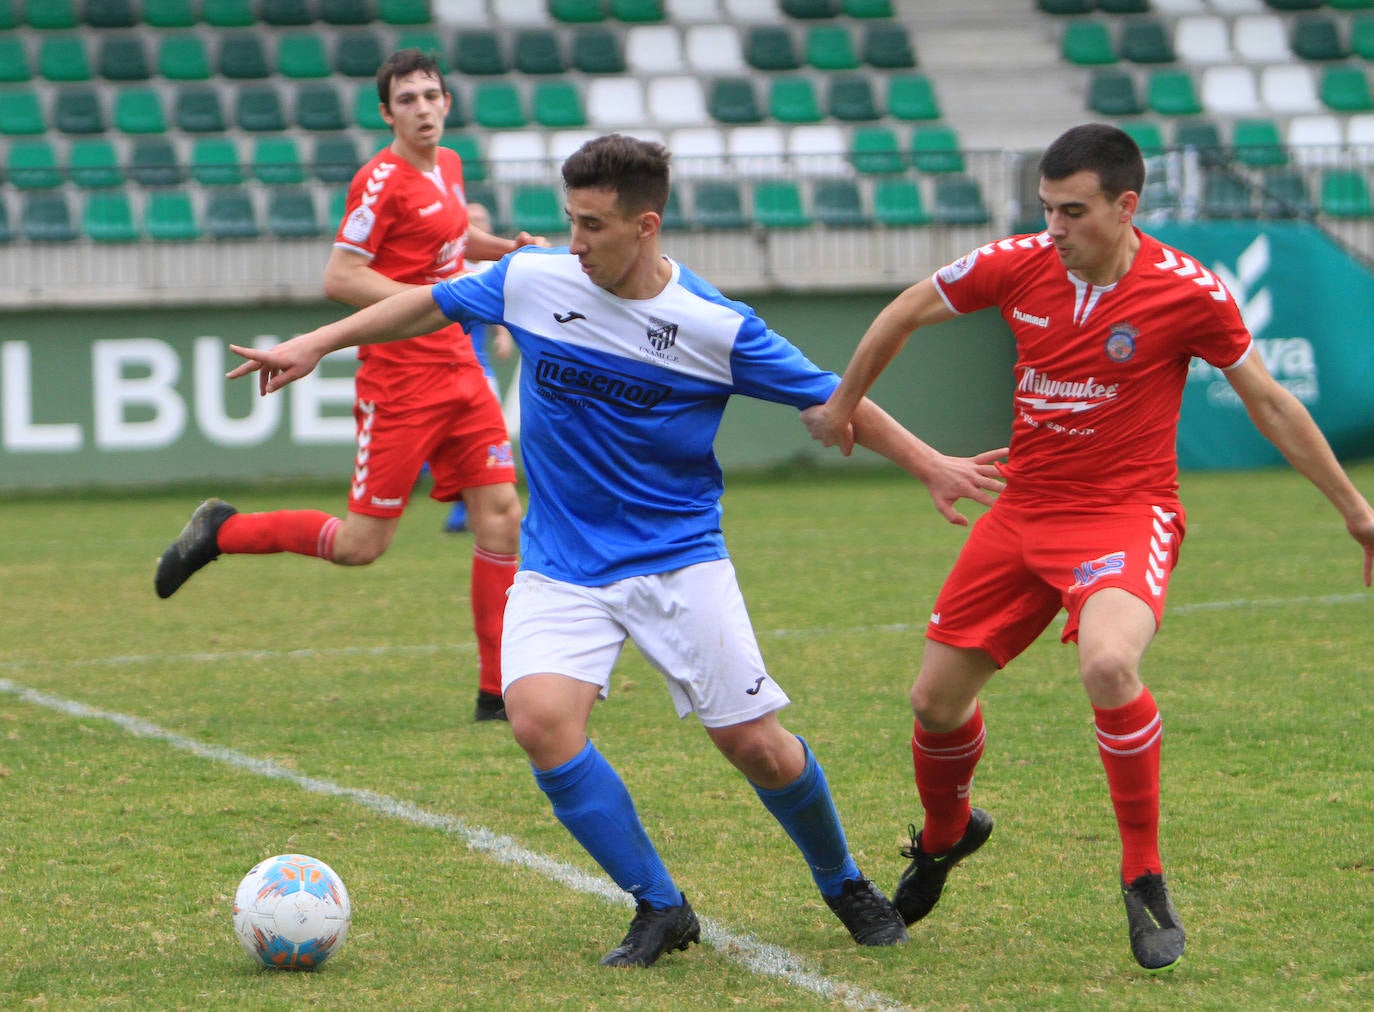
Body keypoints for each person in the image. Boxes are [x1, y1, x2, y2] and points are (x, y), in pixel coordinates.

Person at [223, 134, 1008, 967]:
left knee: (755, 744)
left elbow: (830, 397)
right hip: (562, 561)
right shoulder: (533, 280)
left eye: (593, 226)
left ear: (646, 224)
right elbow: (429, 302)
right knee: (540, 723)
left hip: (679, 558)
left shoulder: (714, 326)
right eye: (570, 221)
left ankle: (842, 879)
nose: (576, 242)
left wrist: (931, 463)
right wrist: (315, 343)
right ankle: (661, 905)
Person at [803, 123, 1374, 972]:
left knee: (1109, 664)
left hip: (1123, 513)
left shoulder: (1189, 289)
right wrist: (845, 401)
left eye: (1073, 211)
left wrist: (1358, 514)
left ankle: (1143, 876)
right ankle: (947, 836)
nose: (1055, 227)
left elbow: (1272, 405)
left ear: (1125, 206)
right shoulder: (1019, 262)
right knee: (933, 703)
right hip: (1023, 512)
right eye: (1046, 209)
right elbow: (906, 309)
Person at [154, 50, 545, 723]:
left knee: (502, 516)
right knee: (361, 546)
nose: (423, 108)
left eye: (432, 95)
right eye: (409, 99)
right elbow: (341, 275)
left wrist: (502, 249)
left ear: (447, 102)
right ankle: (223, 531)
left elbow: (451, 239)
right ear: (387, 112)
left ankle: (496, 692)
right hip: (400, 381)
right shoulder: (379, 180)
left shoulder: (447, 167)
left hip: (460, 369)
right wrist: (431, 299)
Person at [443, 202, 516, 535]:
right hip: (442, 365)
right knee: (451, 443)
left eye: (481, 221)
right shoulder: (447, 264)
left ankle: (465, 511)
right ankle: (461, 502)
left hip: (478, 368)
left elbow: (501, 305)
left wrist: (502, 336)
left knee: (486, 441)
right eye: (470, 221)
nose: (476, 225)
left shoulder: (492, 268)